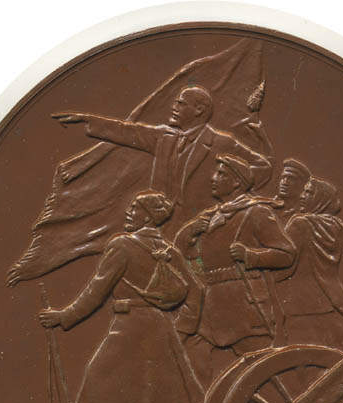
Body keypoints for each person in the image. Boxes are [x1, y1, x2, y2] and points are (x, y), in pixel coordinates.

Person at [39, 190, 204, 403]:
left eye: (135, 208)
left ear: (147, 217)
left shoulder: (123, 245)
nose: (128, 212)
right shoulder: (169, 250)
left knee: (99, 375)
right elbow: (196, 292)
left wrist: (64, 316)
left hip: (129, 326)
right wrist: (183, 330)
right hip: (161, 327)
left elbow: (97, 290)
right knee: (165, 384)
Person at [52, 86, 273, 234]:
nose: (173, 108)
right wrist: (88, 121)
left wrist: (235, 185)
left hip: (202, 228)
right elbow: (127, 131)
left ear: (199, 110)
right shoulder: (164, 138)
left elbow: (263, 166)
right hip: (161, 225)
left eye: (180, 104)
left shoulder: (221, 142)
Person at [175, 154, 295, 387]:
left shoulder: (256, 212)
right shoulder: (210, 216)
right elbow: (185, 257)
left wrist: (251, 256)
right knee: (190, 358)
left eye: (221, 174)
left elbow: (287, 254)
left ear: (237, 182)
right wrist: (189, 234)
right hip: (209, 305)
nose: (213, 178)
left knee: (263, 373)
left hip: (244, 305)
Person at [276, 178, 343, 351]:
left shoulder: (300, 223)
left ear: (320, 198)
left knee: (302, 356)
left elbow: (283, 261)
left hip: (301, 306)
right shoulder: (337, 226)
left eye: (308, 192)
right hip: (335, 301)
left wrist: (253, 261)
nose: (302, 196)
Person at [274, 158, 312, 223]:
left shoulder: (307, 214)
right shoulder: (269, 208)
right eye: (283, 177)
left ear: (303, 184)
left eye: (291, 178)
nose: (284, 182)